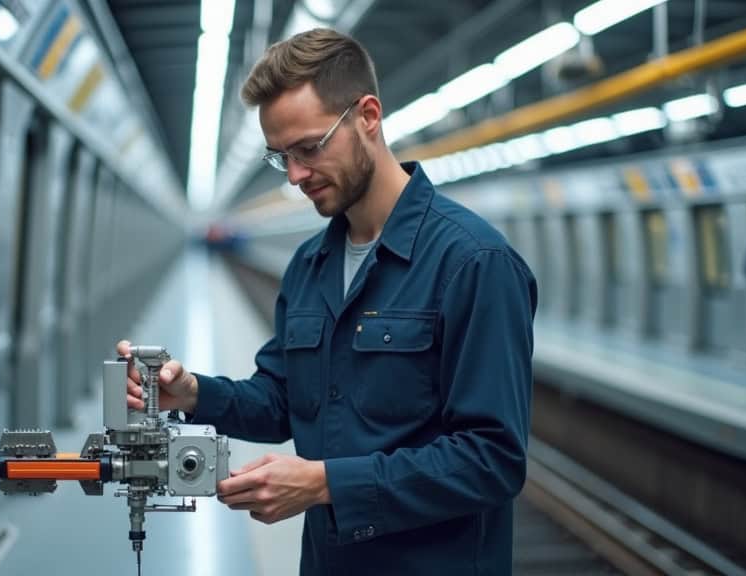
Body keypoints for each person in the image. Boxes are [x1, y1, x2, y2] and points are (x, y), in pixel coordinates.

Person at [119, 28, 537, 574]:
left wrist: (324, 484)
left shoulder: (474, 263)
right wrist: (194, 393)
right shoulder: (309, 265)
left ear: (368, 116)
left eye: (310, 148)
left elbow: (492, 460)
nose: (295, 175)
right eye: (281, 157)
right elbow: (283, 399)